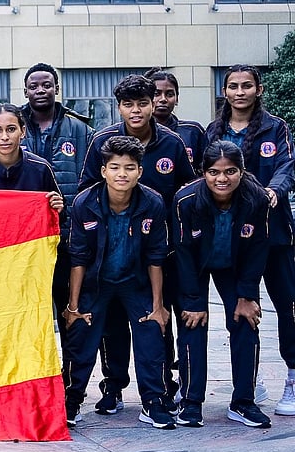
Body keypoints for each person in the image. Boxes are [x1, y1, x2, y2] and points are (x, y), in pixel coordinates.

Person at [78, 75, 195, 416]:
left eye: (143, 103)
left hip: (159, 249)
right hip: (112, 250)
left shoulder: (172, 143)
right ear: (119, 107)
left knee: (159, 318)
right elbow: (88, 190)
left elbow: (188, 190)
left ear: (153, 102)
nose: (137, 110)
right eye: (128, 104)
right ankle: (112, 387)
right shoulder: (103, 140)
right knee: (111, 323)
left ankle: (163, 387)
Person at [62, 136, 171, 429]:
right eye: (115, 167)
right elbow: (78, 257)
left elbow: (156, 256)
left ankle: (154, 401)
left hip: (136, 282)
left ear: (140, 171)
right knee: (81, 335)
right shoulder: (85, 202)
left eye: (129, 167)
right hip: (96, 283)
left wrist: (158, 305)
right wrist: (73, 306)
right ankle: (71, 400)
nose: (122, 174)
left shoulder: (152, 202)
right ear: (103, 171)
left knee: (151, 333)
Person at [205, 64, 295, 417]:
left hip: (273, 233)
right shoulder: (214, 130)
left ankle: (291, 377)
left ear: (259, 90)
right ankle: (248, 381)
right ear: (224, 91)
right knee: (241, 309)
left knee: (287, 305)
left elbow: (288, 166)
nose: (239, 91)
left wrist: (274, 192)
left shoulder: (277, 128)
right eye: (232, 86)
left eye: (246, 85)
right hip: (231, 234)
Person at [173, 141, 272, 428]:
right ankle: (191, 402)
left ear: (241, 172)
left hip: (236, 265)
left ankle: (243, 401)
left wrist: (247, 294)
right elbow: (182, 250)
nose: (222, 179)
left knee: (245, 321)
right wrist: (193, 300)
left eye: (230, 171)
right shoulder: (186, 200)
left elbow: (258, 248)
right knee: (193, 323)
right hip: (196, 264)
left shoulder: (256, 199)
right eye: (214, 172)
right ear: (203, 173)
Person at [20, 62, 94, 326]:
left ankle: (71, 367)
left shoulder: (80, 129)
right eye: (34, 86)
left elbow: (93, 179)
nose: (41, 90)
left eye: (47, 85)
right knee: (30, 310)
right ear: (25, 91)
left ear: (57, 89)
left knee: (69, 306)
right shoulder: (12, 127)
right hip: (24, 237)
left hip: (68, 233)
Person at [0, 103, 65, 212]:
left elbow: (59, 215)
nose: (5, 137)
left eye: (11, 129)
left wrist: (58, 207)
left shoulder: (41, 169)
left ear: (22, 131)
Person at [146, 68, 207, 171]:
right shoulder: (133, 131)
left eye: (169, 94)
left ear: (177, 99)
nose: (163, 99)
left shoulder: (193, 131)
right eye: (156, 94)